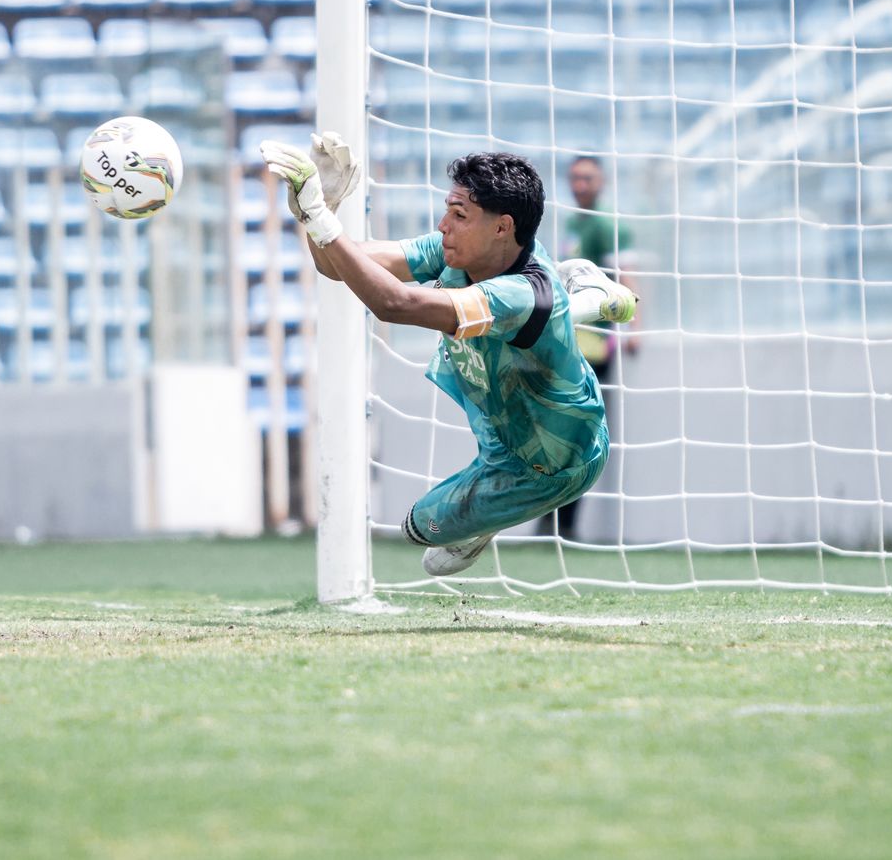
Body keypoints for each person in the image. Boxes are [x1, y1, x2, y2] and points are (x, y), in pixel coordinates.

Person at [259, 133, 637, 577]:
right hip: (503, 431)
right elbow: (338, 265)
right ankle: (582, 297)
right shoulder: (457, 251)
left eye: (459, 215)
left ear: (502, 227)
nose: (443, 225)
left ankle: (578, 299)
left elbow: (395, 304)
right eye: (448, 210)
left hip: (554, 462)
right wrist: (323, 212)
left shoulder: (519, 294)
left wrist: (321, 218)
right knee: (530, 324)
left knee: (421, 530)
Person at [538, 154, 639, 540]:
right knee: (555, 430)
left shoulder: (607, 225)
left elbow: (628, 277)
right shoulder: (575, 222)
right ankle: (550, 516)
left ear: (602, 181)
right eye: (575, 177)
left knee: (579, 435)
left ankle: (565, 525)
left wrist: (632, 332)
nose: (580, 184)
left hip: (597, 346)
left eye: (588, 178)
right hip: (569, 342)